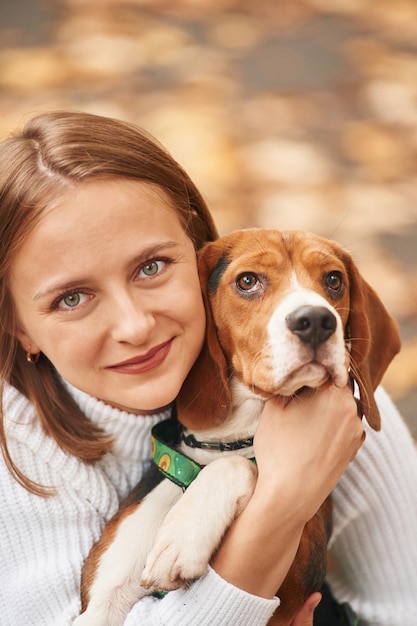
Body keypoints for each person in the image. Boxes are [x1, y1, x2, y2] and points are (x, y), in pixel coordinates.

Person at [0, 111, 415, 626]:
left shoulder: (336, 405)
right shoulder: (13, 450)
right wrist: (279, 502)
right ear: (16, 327)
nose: (134, 326)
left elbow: (406, 606)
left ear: (197, 258)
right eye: (71, 297)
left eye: (151, 266)